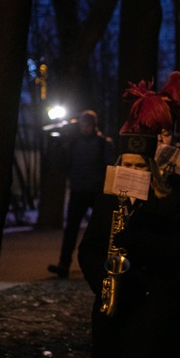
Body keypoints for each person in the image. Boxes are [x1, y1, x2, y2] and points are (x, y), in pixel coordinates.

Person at [78, 86, 180, 358]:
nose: (132, 171)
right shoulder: (108, 201)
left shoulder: (169, 202)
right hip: (117, 306)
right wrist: (102, 280)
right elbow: (89, 248)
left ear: (150, 167)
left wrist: (139, 240)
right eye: (127, 164)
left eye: (139, 165)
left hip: (153, 307)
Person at [48, 110, 116, 278]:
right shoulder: (74, 143)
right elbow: (63, 165)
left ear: (94, 125)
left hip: (96, 193)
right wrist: (58, 145)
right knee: (71, 230)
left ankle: (104, 265)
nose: (85, 128)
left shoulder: (103, 144)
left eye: (88, 125)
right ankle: (64, 264)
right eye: (83, 125)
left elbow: (110, 168)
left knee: (102, 230)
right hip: (78, 191)